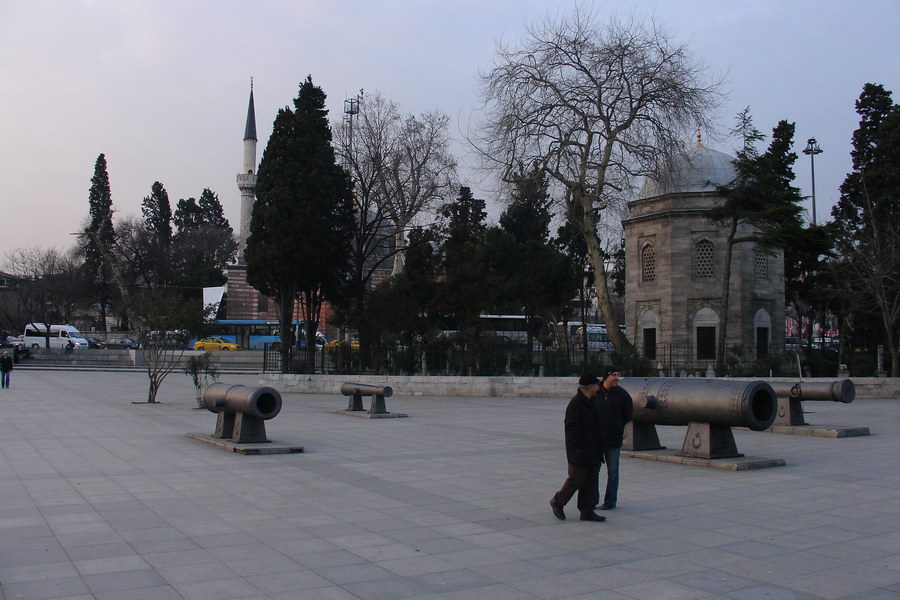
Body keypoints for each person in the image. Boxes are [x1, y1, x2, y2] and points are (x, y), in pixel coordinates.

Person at [550, 374, 607, 522]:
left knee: (591, 481)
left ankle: (587, 510)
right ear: (589, 387)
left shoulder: (593, 400)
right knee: (577, 479)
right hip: (580, 451)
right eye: (596, 385)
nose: (598, 387)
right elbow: (571, 430)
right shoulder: (576, 404)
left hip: (594, 449)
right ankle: (557, 501)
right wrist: (576, 450)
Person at [595, 365, 633, 510]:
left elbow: (627, 414)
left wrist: (617, 426)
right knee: (594, 472)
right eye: (614, 375)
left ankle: (610, 501)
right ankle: (593, 499)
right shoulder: (595, 392)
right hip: (596, 440)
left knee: (613, 473)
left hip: (613, 439)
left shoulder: (622, 394)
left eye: (618, 375)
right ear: (606, 377)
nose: (617, 378)